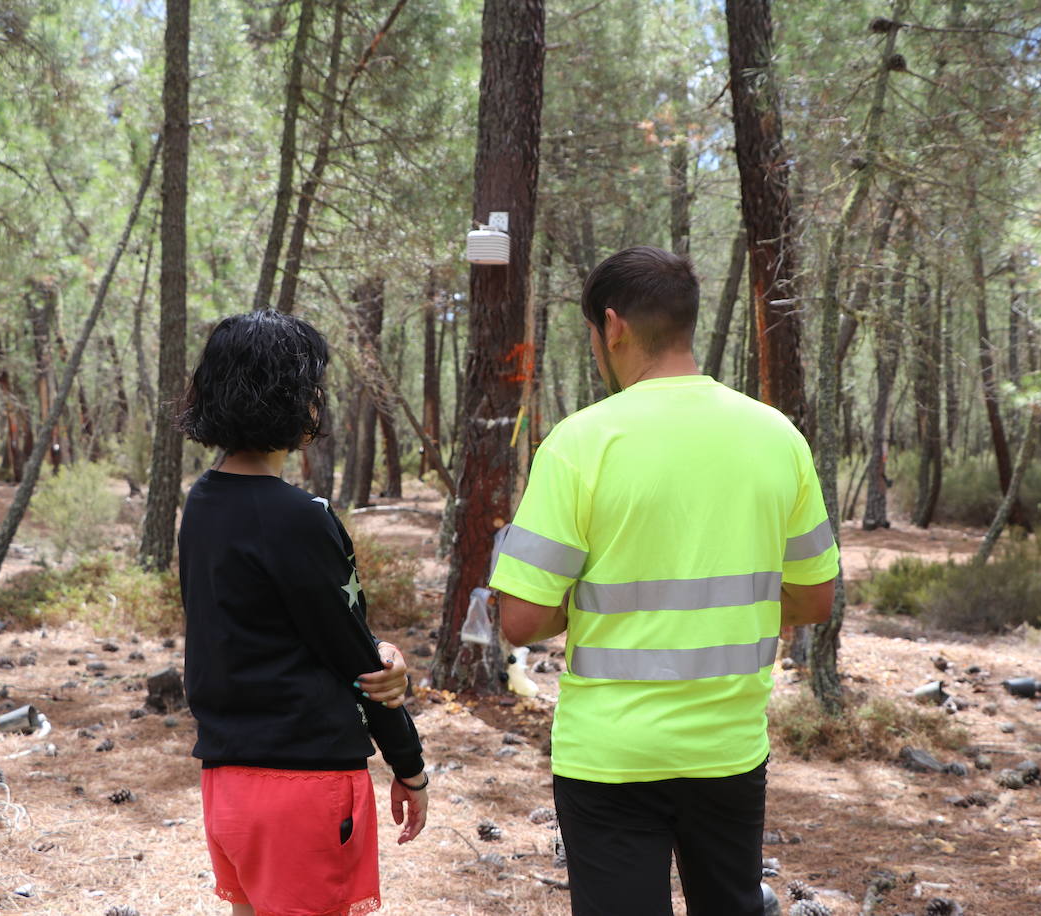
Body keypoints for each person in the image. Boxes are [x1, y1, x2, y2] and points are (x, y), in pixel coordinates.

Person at [489, 246, 838, 915]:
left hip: (610, 754)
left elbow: (520, 620)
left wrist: (584, 604)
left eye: (594, 334)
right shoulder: (776, 438)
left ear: (612, 326)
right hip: (728, 748)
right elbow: (814, 598)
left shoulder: (579, 444)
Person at [177, 310, 429, 916]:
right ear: (298, 400)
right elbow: (360, 664)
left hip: (227, 784)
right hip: (304, 783)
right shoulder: (298, 517)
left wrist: (376, 652)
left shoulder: (203, 503)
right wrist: (410, 767)